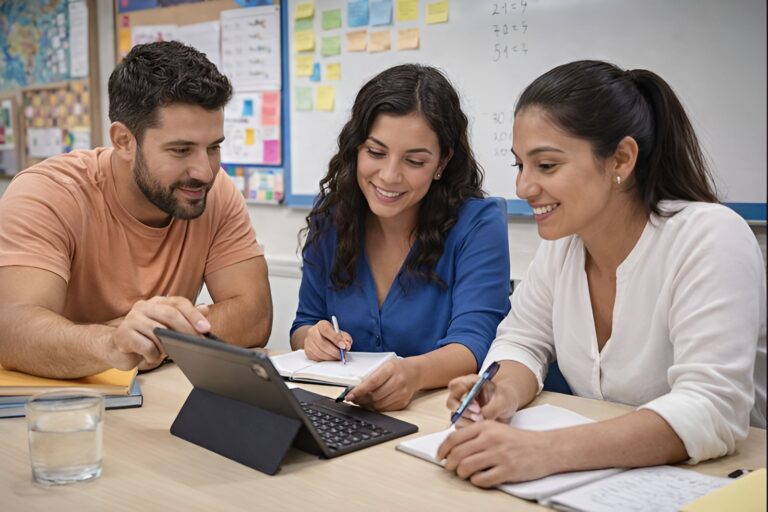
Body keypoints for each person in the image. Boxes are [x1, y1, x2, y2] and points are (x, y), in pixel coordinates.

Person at [438, 60, 766, 487]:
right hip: (615, 482)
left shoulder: (710, 236)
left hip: (725, 482)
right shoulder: (563, 246)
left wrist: (545, 452)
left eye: (547, 165)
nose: (523, 187)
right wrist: (502, 392)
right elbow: (522, 341)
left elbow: (712, 409)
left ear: (622, 159)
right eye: (520, 165)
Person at [0, 41, 272, 378]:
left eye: (213, 148)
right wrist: (114, 343)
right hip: (62, 404)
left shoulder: (216, 192)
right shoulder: (47, 194)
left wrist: (154, 334)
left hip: (153, 394)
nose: (205, 171)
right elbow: (13, 332)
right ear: (124, 142)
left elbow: (254, 317)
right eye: (181, 149)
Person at [290, 64, 511, 411]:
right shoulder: (332, 217)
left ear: (442, 161)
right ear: (355, 148)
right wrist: (314, 340)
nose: (389, 176)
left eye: (414, 161)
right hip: (345, 412)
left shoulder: (478, 224)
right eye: (375, 153)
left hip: (435, 417)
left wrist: (413, 374)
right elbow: (303, 324)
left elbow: (475, 343)